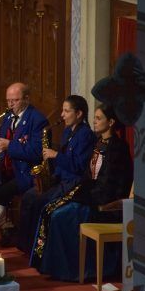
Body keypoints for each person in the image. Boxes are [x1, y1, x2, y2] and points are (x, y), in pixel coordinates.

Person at [32, 105, 133, 281]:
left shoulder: (118, 148)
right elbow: (89, 174)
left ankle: (70, 269)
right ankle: (51, 266)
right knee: (49, 209)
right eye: (94, 117)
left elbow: (110, 183)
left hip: (104, 203)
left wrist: (86, 196)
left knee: (60, 216)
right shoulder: (98, 142)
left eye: (99, 118)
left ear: (111, 122)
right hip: (91, 193)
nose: (94, 121)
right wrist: (79, 191)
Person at [17, 95, 95, 253]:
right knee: (29, 196)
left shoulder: (86, 135)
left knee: (40, 202)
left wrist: (56, 156)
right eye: (63, 110)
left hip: (74, 184)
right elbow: (62, 162)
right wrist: (50, 177)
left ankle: (40, 249)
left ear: (79, 114)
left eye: (67, 111)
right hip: (60, 180)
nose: (62, 115)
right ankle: (26, 244)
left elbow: (78, 166)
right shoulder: (67, 131)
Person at [0, 82, 47, 245]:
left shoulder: (37, 120)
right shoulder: (9, 117)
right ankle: (6, 225)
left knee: (2, 193)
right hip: (8, 166)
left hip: (27, 172)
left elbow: (36, 152)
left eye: (15, 100)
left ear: (26, 99)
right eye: (8, 101)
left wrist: (9, 145)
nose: (10, 105)